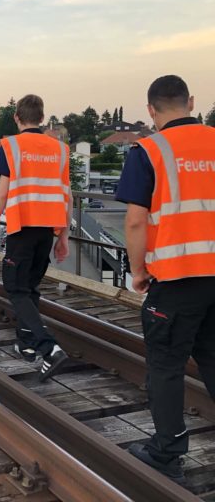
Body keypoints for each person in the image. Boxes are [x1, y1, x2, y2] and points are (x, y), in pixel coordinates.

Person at [115, 75, 215, 484]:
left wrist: (138, 271)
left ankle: (167, 449)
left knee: (166, 365)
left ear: (151, 111)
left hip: (175, 279)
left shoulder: (149, 150)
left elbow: (137, 222)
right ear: (191, 102)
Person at [0, 94, 72, 382]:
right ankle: (28, 346)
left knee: (15, 288)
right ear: (42, 118)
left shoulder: (10, 146)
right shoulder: (60, 149)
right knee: (30, 287)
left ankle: (49, 348)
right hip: (48, 229)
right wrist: (64, 236)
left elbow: (1, 192)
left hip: (22, 227)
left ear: (17, 118)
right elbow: (67, 195)